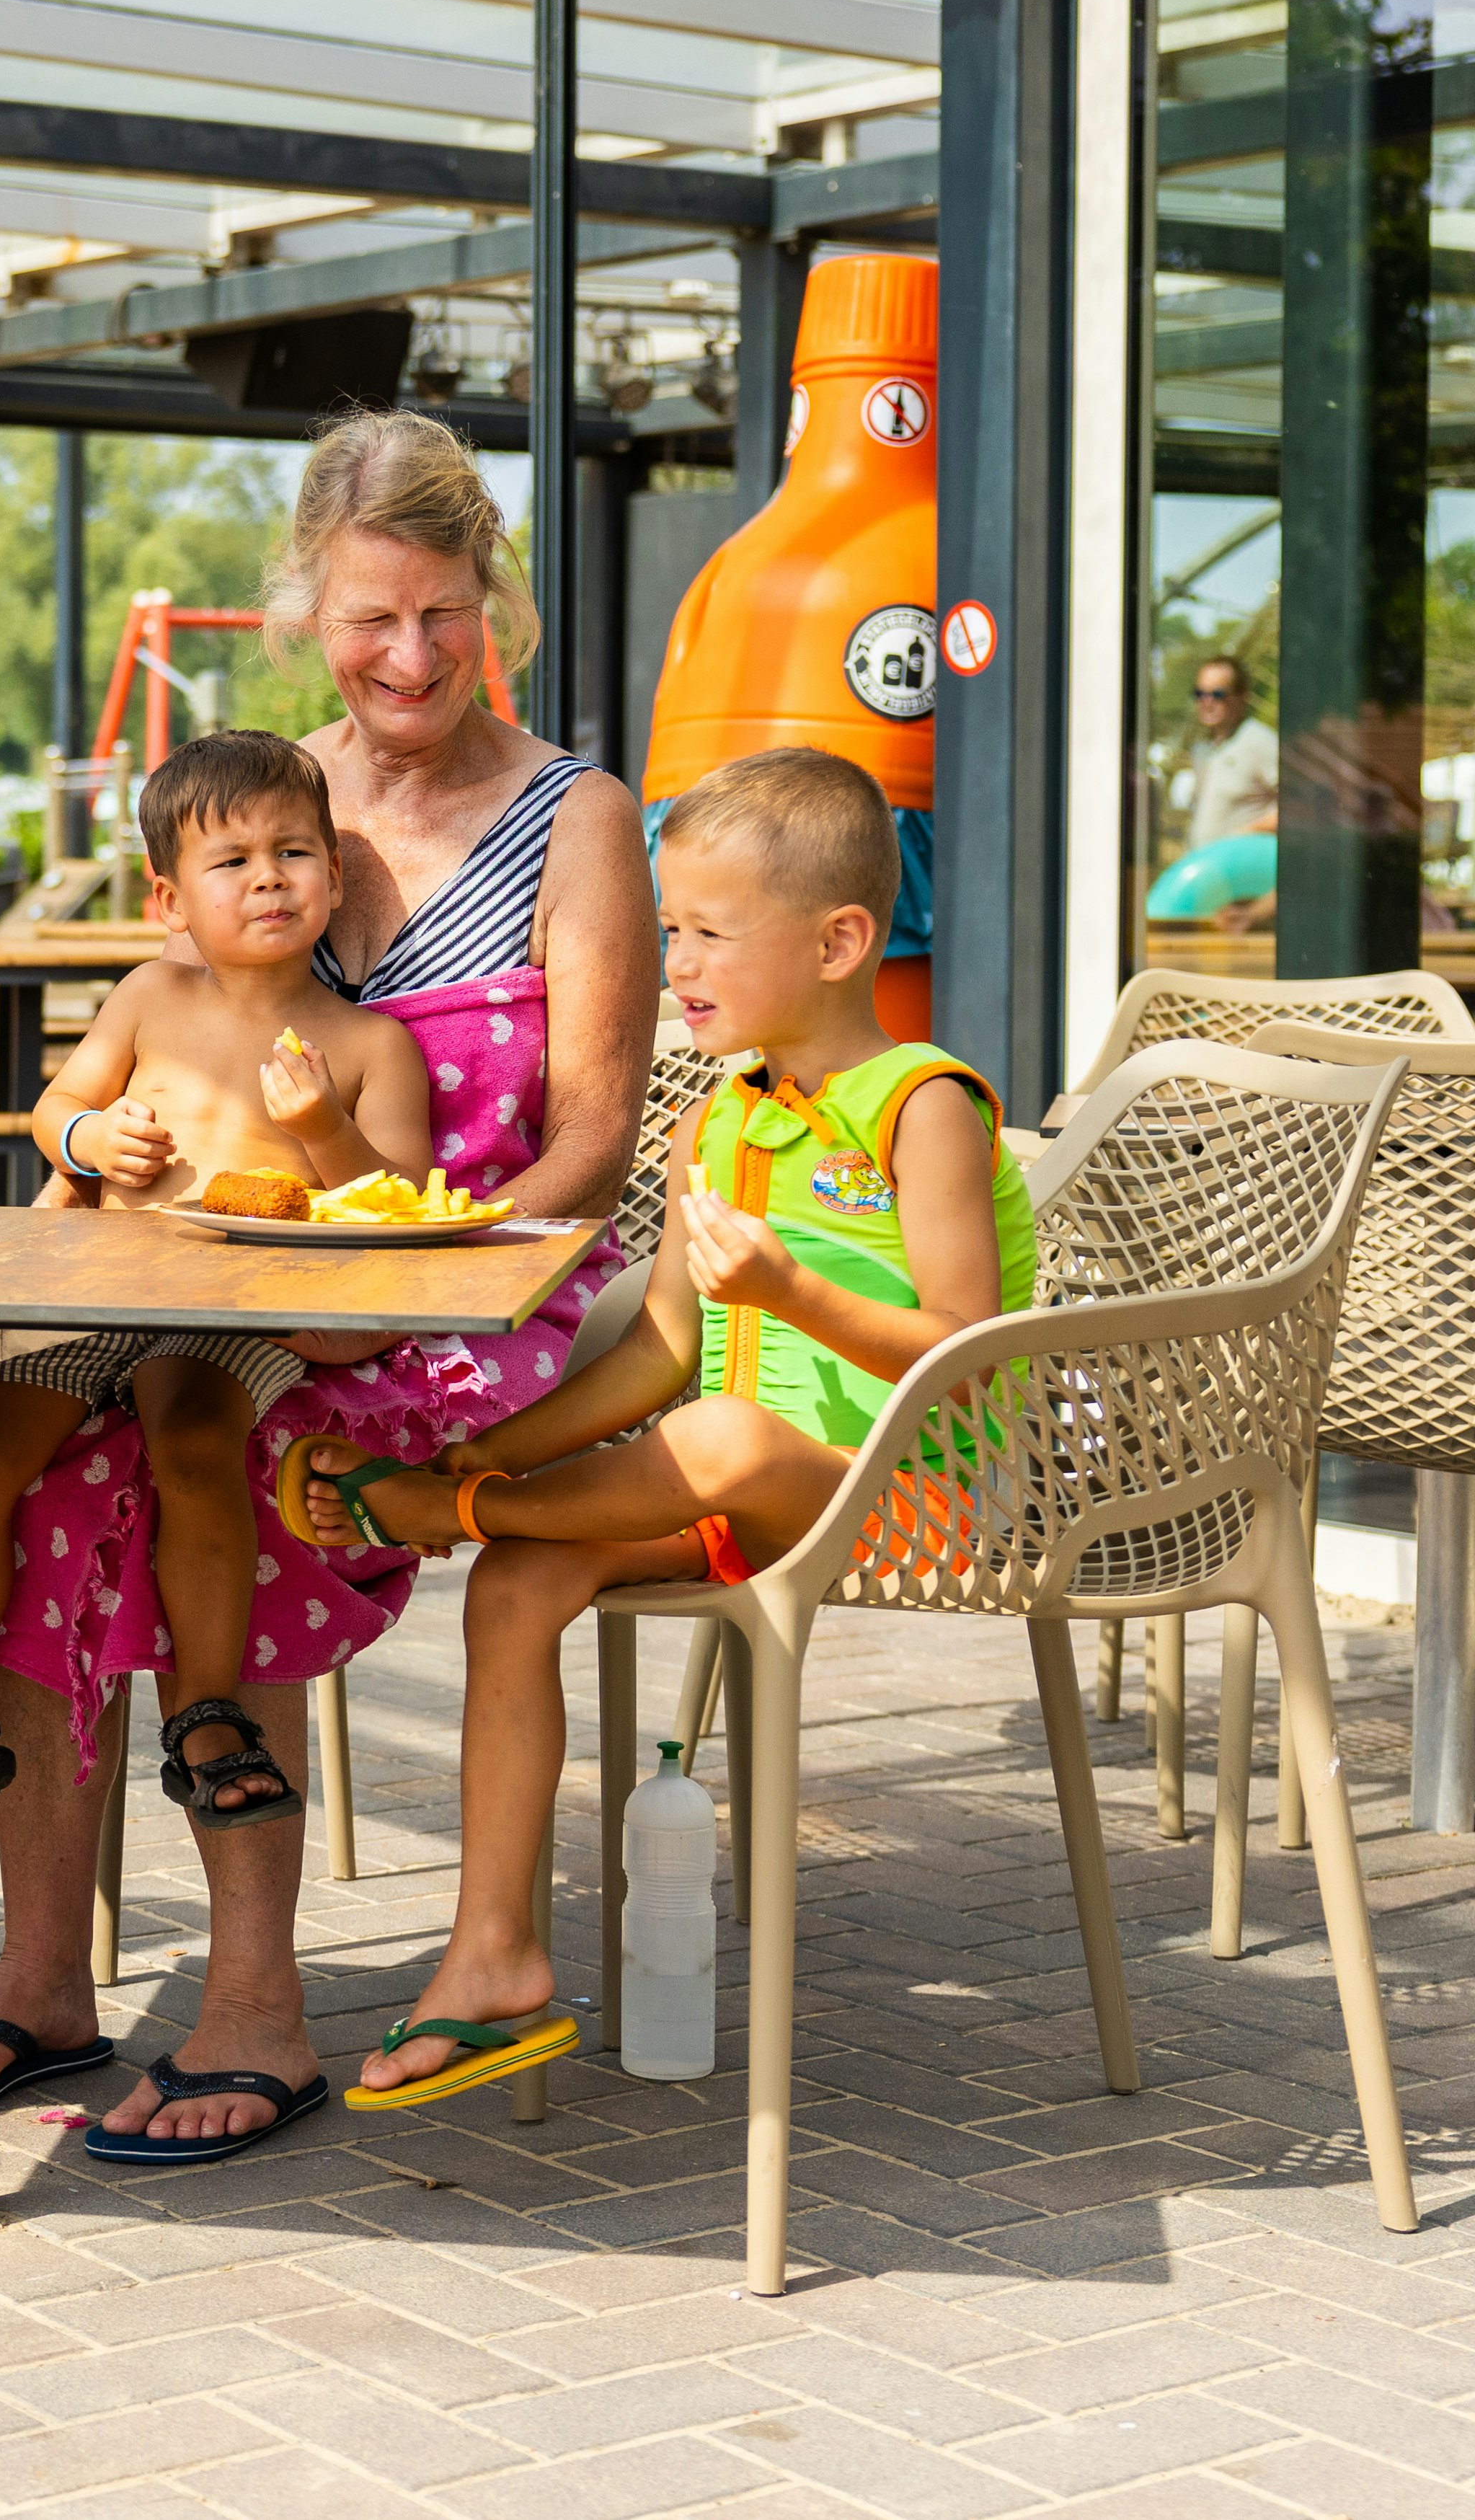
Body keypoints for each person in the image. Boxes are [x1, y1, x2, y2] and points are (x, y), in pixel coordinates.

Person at [0, 407, 655, 2166]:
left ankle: (250, 2005)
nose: (409, 655)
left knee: (216, 1455)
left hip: (482, 1290)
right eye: (371, 617)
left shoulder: (572, 814)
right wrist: (116, 1160)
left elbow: (589, 1148)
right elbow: (131, 1070)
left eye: (444, 611)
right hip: (223, 1285)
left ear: (494, 607)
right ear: (308, 609)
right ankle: (42, 1974)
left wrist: (412, 1268)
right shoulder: (260, 801)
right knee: (42, 1433)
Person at [295, 746, 1035, 2104]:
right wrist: (496, 1449)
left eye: (707, 932)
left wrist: (796, 1290)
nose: (675, 962)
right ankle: (493, 1959)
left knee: (733, 1440)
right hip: (737, 1496)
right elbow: (662, 1352)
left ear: (840, 940)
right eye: (671, 926)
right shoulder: (719, 1123)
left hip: (919, 1499)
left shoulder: (923, 1108)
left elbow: (971, 1355)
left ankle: (429, 1515)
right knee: (520, 1587)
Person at [0, 728, 431, 1834]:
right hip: (107, 1292)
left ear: (335, 879)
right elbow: (53, 1108)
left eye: (293, 852)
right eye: (229, 861)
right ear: (168, 899)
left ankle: (206, 1707)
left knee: (194, 1434)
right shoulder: (149, 995)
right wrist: (93, 1141)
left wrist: (324, 1129)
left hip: (244, 1309)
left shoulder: (370, 1043)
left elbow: (396, 1207)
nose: (267, 878)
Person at [1179, 658, 1277, 852]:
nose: (1207, 702)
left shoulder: (1260, 741)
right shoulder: (1202, 748)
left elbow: (1299, 805)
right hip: (1208, 872)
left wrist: (1246, 834)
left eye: (1218, 694)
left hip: (1243, 872)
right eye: (1200, 694)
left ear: (1243, 697)